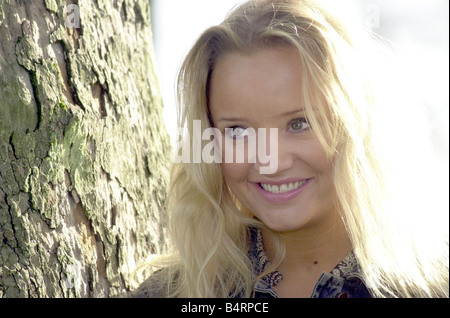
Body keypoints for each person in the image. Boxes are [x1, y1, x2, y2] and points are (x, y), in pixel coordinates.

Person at [133, 0, 449, 298]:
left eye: (299, 124)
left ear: (354, 124)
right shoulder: (175, 292)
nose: (272, 162)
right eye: (239, 131)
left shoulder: (433, 285)